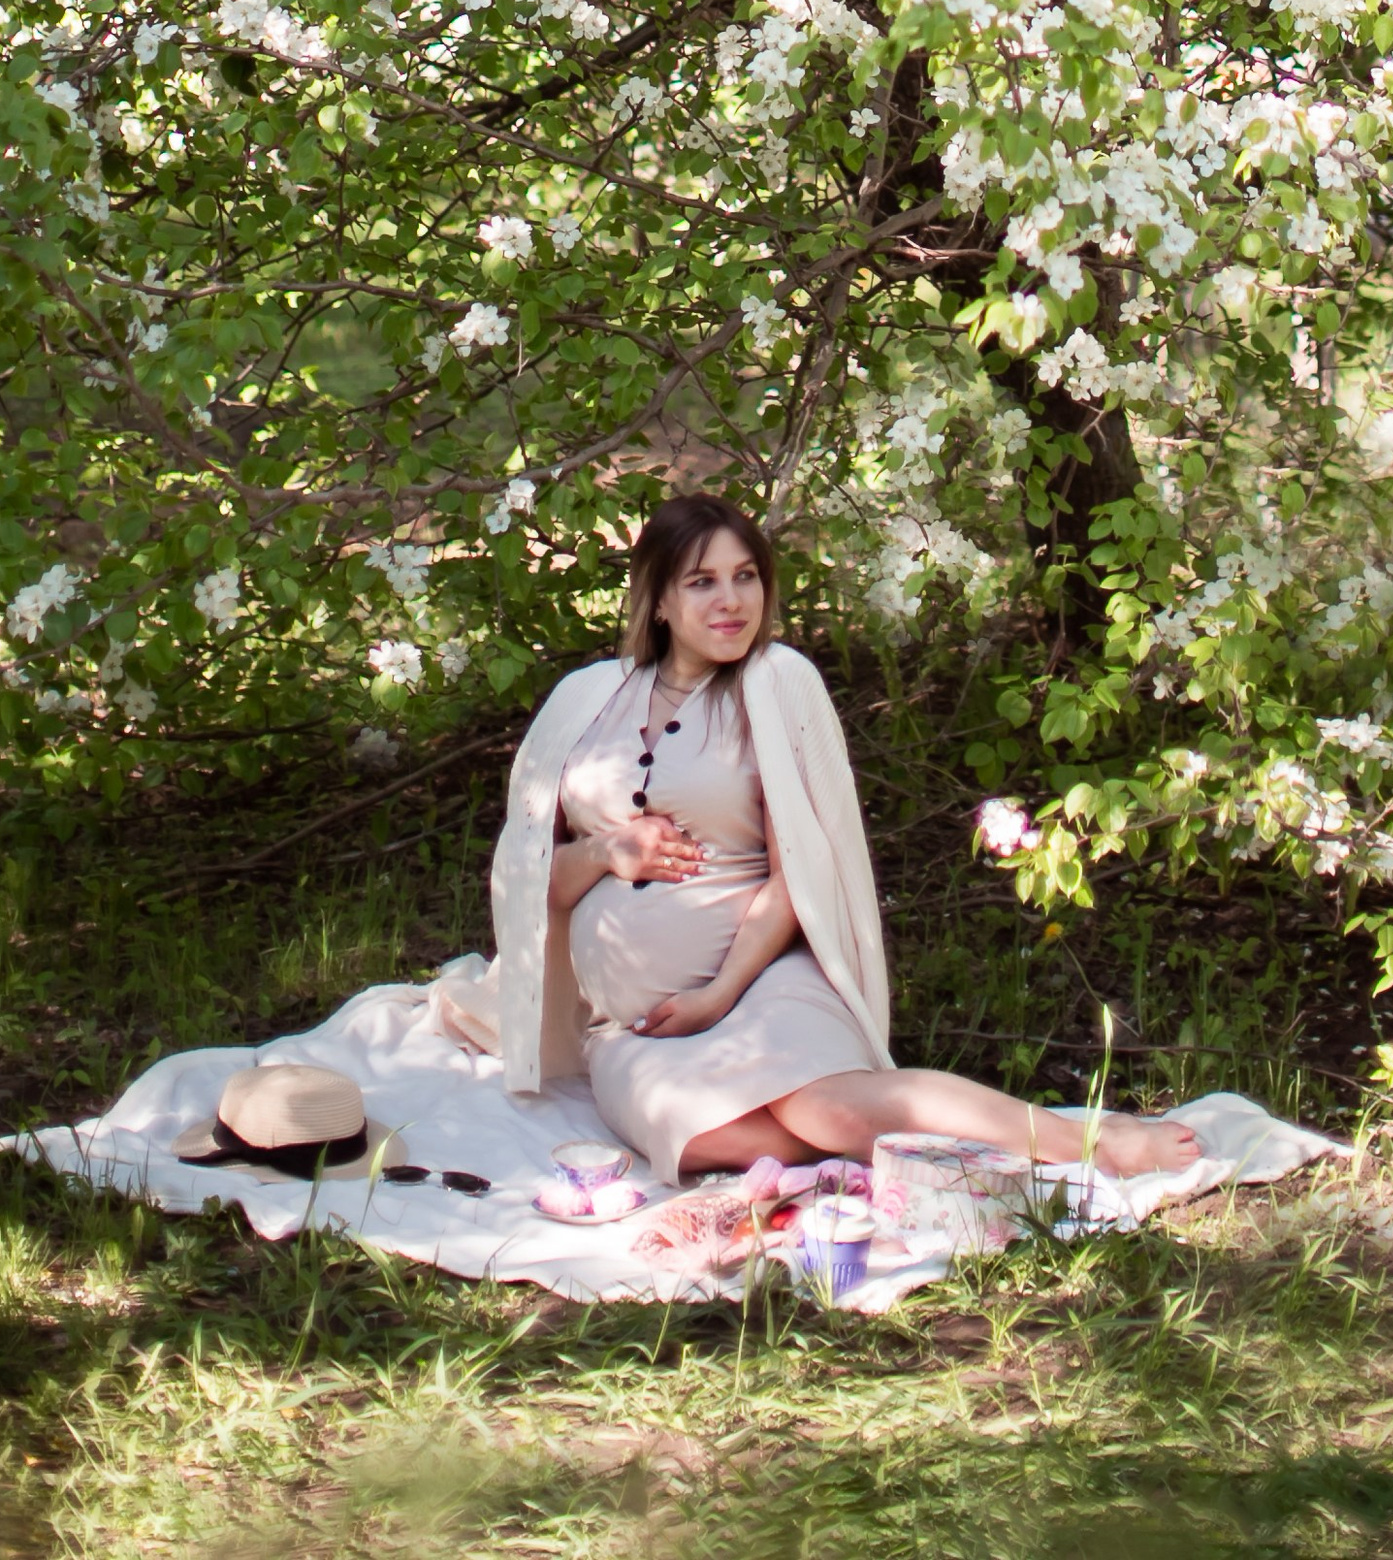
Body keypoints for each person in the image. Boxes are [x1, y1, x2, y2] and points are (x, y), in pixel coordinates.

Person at [482, 489, 1204, 1189]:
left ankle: (1093, 1140)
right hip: (635, 1022)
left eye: (745, 577)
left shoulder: (774, 683)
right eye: (701, 582)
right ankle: (892, 1137)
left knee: (825, 1106)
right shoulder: (589, 699)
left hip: (759, 979)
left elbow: (802, 866)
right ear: (660, 600)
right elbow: (533, 882)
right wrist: (608, 852)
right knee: (700, 1138)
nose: (730, 600)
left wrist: (720, 992)